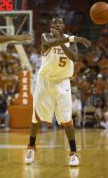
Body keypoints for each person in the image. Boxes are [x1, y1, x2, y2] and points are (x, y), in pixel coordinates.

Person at [25, 16, 91, 166]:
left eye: (60, 23)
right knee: (36, 117)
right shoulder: (45, 37)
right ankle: (31, 147)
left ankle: (73, 152)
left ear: (63, 26)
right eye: (54, 23)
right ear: (50, 26)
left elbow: (73, 57)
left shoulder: (70, 40)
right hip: (45, 81)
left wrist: (68, 41)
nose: (57, 25)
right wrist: (74, 39)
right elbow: (49, 43)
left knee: (67, 120)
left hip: (63, 82)